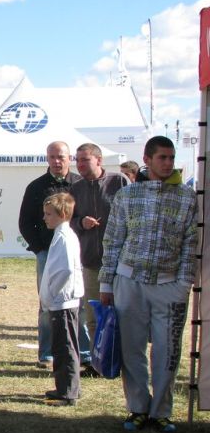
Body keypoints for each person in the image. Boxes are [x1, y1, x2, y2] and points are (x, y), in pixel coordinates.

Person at [99, 136, 198, 433]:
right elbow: (113, 240)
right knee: (132, 350)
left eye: (171, 158)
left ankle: (162, 411)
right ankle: (138, 408)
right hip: (129, 282)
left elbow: (190, 244)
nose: (168, 163)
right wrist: (107, 283)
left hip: (169, 285)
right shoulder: (127, 196)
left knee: (167, 352)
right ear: (148, 159)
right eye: (162, 158)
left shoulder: (186, 196)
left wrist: (183, 284)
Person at [18, 141, 84, 369]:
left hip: (76, 252)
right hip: (47, 253)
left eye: (61, 157)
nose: (57, 161)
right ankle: (46, 353)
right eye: (53, 157)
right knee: (47, 302)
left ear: (69, 158)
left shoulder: (79, 184)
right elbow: (25, 223)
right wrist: (40, 249)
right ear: (47, 158)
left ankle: (82, 352)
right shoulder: (36, 187)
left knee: (77, 302)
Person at [69, 143, 127, 346]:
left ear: (99, 160)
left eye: (85, 160)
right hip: (91, 262)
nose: (80, 165)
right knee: (94, 317)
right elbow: (69, 220)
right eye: (78, 160)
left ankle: (120, 359)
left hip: (120, 263)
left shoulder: (118, 182)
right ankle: (99, 359)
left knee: (121, 314)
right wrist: (81, 223)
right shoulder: (76, 187)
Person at [39, 193, 84, 406]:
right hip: (63, 300)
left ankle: (67, 392)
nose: (44, 218)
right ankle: (68, 387)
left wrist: (51, 293)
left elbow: (64, 269)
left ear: (62, 214)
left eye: (49, 214)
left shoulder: (64, 237)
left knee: (64, 347)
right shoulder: (62, 234)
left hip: (63, 301)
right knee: (65, 345)